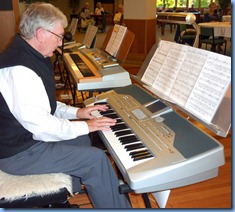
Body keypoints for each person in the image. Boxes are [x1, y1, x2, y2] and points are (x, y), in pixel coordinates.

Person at [0, 2, 131, 209]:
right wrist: (86, 125)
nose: (61, 42)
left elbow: (44, 104)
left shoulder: (31, 55)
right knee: (96, 160)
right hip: (18, 154)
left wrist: (77, 112)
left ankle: (79, 187)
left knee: (82, 139)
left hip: (24, 142)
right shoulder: (20, 70)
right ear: (41, 34)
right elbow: (42, 127)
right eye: (59, 36)